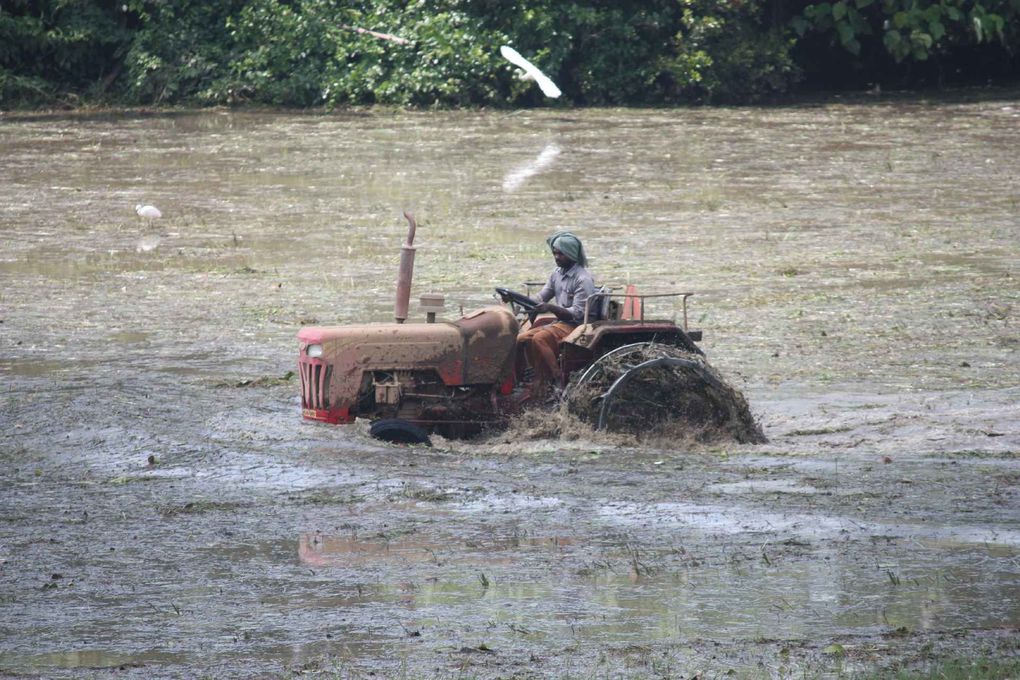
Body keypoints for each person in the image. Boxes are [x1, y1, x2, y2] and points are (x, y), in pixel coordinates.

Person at [507, 231, 596, 400]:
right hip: (561, 321)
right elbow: (541, 297)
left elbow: (577, 313)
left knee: (540, 338)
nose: (556, 257)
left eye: (560, 253)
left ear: (570, 253)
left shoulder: (583, 279)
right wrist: (518, 300)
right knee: (519, 339)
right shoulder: (557, 273)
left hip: (577, 324)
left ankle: (557, 378)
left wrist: (551, 308)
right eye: (554, 253)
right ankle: (523, 379)